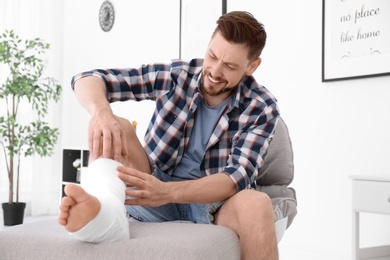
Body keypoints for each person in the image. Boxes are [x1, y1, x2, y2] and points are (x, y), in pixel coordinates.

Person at [58, 10, 280, 260]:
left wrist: (167, 192)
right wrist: (100, 112)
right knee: (116, 124)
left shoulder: (261, 106)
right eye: (213, 56)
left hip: (213, 204)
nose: (215, 71)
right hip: (153, 185)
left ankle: (104, 216)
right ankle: (102, 210)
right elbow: (87, 79)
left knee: (258, 203)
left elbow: (235, 178)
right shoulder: (177, 76)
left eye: (230, 66)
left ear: (252, 66)